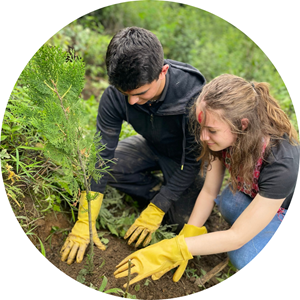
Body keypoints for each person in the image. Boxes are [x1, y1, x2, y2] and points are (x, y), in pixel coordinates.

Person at [114, 74, 300, 287]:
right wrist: (188, 233)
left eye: (211, 130)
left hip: (286, 214)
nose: (203, 136)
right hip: (257, 199)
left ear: (243, 125)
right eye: (202, 126)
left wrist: (172, 249)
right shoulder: (226, 135)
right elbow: (210, 192)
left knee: (243, 256)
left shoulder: (281, 162)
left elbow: (237, 236)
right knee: (229, 200)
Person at [60, 27, 206, 265]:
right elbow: (102, 155)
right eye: (124, 93)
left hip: (184, 159)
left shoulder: (194, 99)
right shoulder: (116, 95)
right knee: (112, 170)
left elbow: (192, 162)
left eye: (140, 93)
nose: (131, 101)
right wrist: (85, 219)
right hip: (151, 146)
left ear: (163, 72)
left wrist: (159, 207)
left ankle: (164, 196)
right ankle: (155, 189)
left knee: (181, 220)